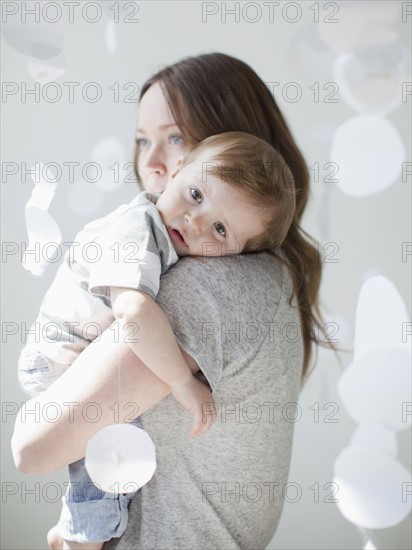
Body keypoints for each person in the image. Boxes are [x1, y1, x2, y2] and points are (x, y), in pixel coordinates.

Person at [12, 53, 332, 550]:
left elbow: (32, 448)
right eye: (143, 141)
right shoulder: (266, 277)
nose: (154, 163)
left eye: (176, 136)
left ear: (232, 146)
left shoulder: (207, 285)